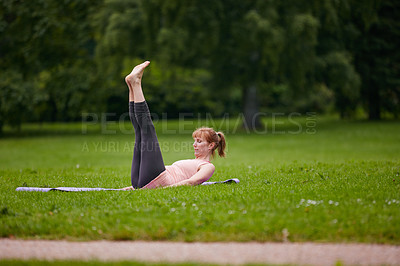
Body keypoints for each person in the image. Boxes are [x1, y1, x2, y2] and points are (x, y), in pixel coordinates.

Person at [122, 61, 226, 190]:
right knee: (139, 131)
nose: (194, 144)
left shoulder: (208, 166)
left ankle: (136, 83)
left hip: (160, 179)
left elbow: (193, 181)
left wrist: (164, 189)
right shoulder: (193, 162)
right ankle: (132, 86)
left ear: (211, 145)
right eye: (195, 141)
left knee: (147, 131)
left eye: (199, 141)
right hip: (141, 181)